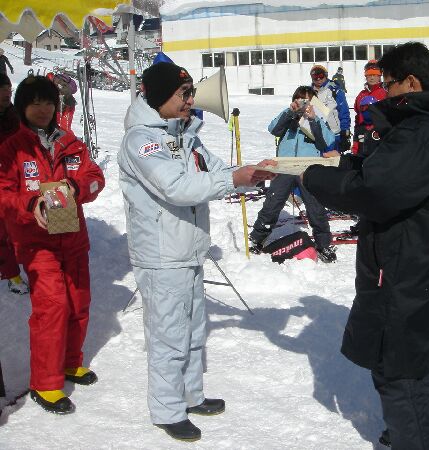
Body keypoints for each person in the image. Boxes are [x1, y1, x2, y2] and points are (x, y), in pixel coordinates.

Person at [302, 42, 429, 450]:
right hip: (411, 267)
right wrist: (343, 164)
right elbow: (387, 171)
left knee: (398, 369)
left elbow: (377, 190)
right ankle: (420, 432)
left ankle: (415, 437)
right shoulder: (421, 129)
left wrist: (314, 178)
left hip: (406, 271)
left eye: (388, 84)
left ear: (411, 82)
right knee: (411, 363)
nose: (382, 92)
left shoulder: (421, 132)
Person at [118, 62, 275, 441]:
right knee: (168, 335)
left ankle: (190, 395)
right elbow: (177, 187)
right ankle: (167, 409)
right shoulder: (141, 140)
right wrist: (232, 178)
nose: (191, 101)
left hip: (188, 249)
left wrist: (251, 173)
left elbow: (216, 171)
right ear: (159, 97)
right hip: (161, 255)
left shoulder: (185, 135)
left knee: (191, 330)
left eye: (191, 93)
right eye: (183, 94)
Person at [0, 75, 105, 414]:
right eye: (35, 103)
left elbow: (95, 178)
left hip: (72, 237)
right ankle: (45, 383)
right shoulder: (12, 148)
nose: (43, 109)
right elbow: (3, 195)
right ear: (22, 107)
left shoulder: (71, 143)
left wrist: (77, 187)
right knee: (52, 307)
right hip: (36, 243)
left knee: (78, 301)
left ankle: (71, 361)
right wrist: (31, 204)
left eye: (48, 102)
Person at [249, 86, 337, 263]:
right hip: (285, 166)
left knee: (316, 208)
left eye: (307, 100)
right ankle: (257, 238)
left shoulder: (317, 118)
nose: (303, 104)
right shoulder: (289, 117)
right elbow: (273, 128)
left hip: (309, 168)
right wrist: (290, 112)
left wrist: (313, 119)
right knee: (272, 203)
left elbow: (327, 140)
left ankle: (324, 244)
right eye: (300, 99)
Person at [0, 73, 29, 295]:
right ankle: (12, 275)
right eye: (2, 89)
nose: (6, 93)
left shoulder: (16, 115)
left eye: (8, 89)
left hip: (17, 178)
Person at [309, 65, 351, 153]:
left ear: (325, 75)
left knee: (332, 159)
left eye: (321, 76)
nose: (318, 79)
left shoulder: (335, 90)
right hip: (315, 135)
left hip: (334, 134)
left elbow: (344, 112)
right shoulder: (309, 92)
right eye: (315, 77)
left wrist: (345, 132)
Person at [351, 60, 386, 155]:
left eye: (375, 75)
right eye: (369, 75)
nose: (372, 78)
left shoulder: (385, 93)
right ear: (365, 76)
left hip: (379, 137)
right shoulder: (361, 95)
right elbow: (358, 120)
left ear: (380, 76)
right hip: (362, 134)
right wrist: (355, 144)